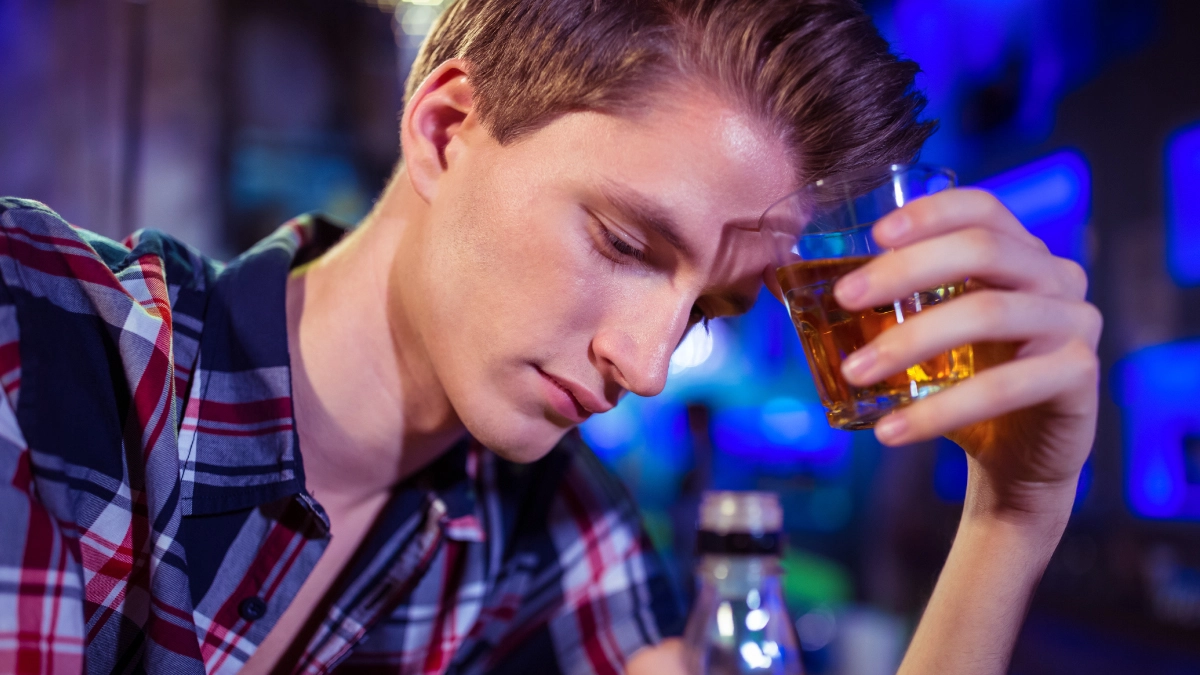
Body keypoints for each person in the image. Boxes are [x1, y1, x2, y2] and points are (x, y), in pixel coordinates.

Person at [0, 0, 1100, 672]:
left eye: (709, 309)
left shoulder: (566, 534)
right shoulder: (40, 337)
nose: (649, 364)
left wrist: (1009, 523)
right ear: (444, 128)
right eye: (626, 243)